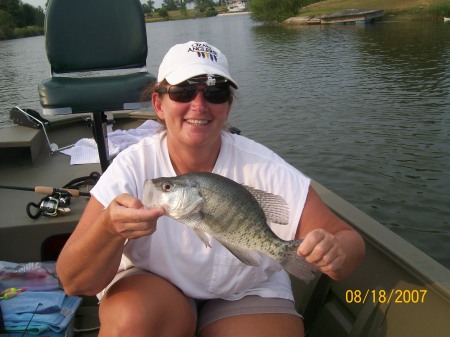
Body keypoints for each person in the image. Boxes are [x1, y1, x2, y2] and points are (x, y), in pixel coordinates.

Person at [56, 41, 365, 337]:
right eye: (183, 91)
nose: (199, 105)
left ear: (227, 106)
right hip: (155, 286)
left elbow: (348, 240)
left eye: (216, 92)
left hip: (246, 288)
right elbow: (73, 281)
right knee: (131, 323)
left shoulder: (263, 166)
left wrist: (335, 254)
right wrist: (109, 229)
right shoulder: (134, 166)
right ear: (158, 104)